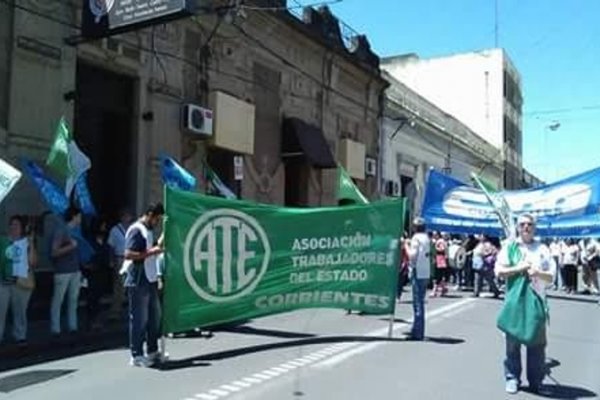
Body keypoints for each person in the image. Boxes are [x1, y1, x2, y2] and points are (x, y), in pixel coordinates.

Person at [494, 214, 556, 395]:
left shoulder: (542, 249)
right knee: (512, 344)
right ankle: (512, 378)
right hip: (515, 303)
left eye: (530, 224)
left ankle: (536, 382)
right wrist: (519, 268)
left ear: (534, 227)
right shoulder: (510, 247)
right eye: (523, 224)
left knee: (536, 345)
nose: (526, 227)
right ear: (518, 228)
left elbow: (551, 275)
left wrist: (538, 272)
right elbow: (499, 271)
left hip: (536, 302)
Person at [122, 203, 165, 367]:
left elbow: (154, 248)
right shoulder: (136, 229)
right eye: (157, 219)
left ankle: (152, 350)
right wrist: (150, 253)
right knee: (140, 318)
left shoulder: (148, 230)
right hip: (138, 279)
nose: (157, 222)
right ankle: (137, 354)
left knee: (154, 317)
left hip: (150, 278)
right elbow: (128, 254)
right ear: (149, 215)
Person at [0, 215, 37, 345]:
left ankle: (20, 336)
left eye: (17, 225)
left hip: (20, 281)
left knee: (20, 311)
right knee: (1, 309)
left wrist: (31, 243)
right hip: (3, 281)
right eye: (12, 225)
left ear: (22, 228)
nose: (13, 228)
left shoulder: (26, 243)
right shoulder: (2, 241)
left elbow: (33, 263)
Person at [50, 207, 82, 336]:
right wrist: (70, 246)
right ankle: (55, 328)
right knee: (58, 299)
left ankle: (72, 326)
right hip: (62, 271)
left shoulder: (77, 231)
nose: (80, 219)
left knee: (73, 299)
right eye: (79, 216)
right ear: (74, 216)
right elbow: (54, 252)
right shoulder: (61, 230)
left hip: (75, 269)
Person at [404, 217, 430, 341]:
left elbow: (412, 255)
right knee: (420, 301)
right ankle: (416, 328)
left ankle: (418, 332)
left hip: (417, 271)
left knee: (417, 303)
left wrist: (405, 246)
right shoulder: (426, 238)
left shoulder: (416, 238)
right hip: (425, 271)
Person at [107, 209, 133, 320]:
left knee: (130, 285)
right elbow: (110, 246)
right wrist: (111, 260)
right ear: (122, 217)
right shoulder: (115, 230)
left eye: (129, 216)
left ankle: (128, 311)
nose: (128, 218)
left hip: (131, 258)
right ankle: (115, 311)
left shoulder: (132, 228)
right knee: (119, 286)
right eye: (126, 216)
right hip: (119, 258)